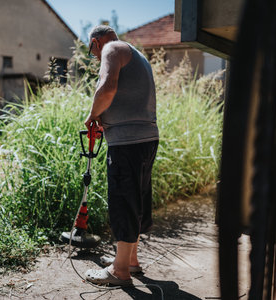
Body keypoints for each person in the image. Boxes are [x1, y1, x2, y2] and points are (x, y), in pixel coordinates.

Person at [84, 25, 159, 286]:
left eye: (91, 51)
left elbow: (107, 88)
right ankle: (130, 262)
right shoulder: (136, 54)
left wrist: (93, 116)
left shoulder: (112, 49)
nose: (94, 57)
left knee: (124, 201)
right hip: (145, 139)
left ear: (95, 42)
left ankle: (120, 272)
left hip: (128, 142)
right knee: (135, 199)